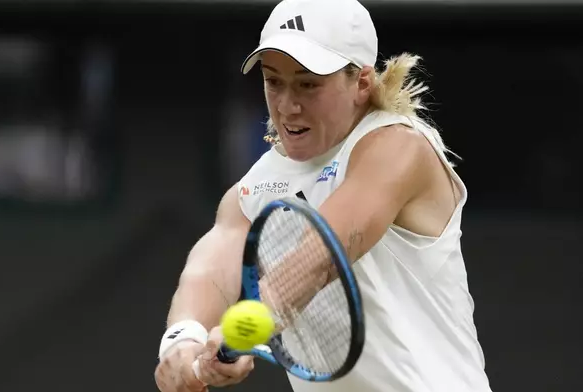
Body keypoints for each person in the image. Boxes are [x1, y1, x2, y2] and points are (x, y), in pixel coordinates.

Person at [154, 0, 493, 391]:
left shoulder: (399, 147)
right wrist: (183, 340)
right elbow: (209, 271)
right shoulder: (255, 186)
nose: (287, 104)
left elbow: (321, 254)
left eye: (308, 84)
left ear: (362, 83)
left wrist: (245, 328)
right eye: (273, 81)